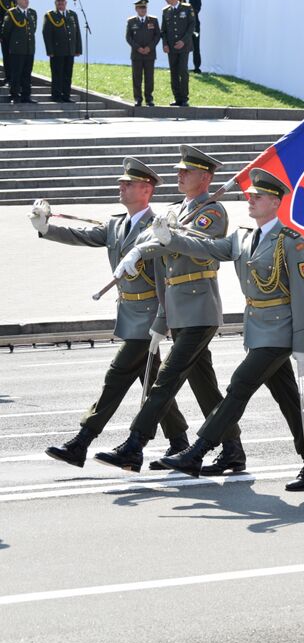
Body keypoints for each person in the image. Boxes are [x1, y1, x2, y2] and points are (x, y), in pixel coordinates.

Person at [150, 169, 304, 491]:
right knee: (287, 397)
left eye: (258, 197)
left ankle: (198, 451)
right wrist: (170, 238)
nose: (251, 199)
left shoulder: (291, 242)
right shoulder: (243, 236)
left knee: (239, 385)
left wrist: (303, 343)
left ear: (274, 203)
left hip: (280, 332)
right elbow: (208, 248)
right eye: (250, 195)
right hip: (257, 331)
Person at [33, 160, 191, 467]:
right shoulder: (118, 224)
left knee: (116, 376)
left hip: (149, 317)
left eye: (129, 184)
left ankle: (83, 440)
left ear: (147, 189)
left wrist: (163, 320)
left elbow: (165, 279)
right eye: (122, 183)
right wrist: (46, 227)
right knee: (152, 382)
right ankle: (180, 441)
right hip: (129, 313)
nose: (122, 187)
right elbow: (82, 235)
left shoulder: (159, 227)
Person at [97, 146, 242, 475]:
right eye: (178, 171)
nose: (179, 175)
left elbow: (200, 247)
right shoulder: (177, 210)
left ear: (205, 178)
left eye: (186, 172)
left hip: (200, 306)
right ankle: (233, 450)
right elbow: (161, 259)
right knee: (205, 387)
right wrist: (143, 249)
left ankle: (134, 445)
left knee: (165, 380)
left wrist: (168, 236)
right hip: (178, 307)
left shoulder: (213, 212)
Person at [41, 0, 81, 103]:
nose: (60, 3)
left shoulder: (72, 15)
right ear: (55, 2)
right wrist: (50, 50)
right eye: (58, 1)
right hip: (57, 51)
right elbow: (46, 34)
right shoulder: (50, 15)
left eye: (62, 0)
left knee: (68, 74)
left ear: (66, 2)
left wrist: (77, 49)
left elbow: (77, 32)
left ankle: (66, 95)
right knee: (57, 74)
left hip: (70, 50)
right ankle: (56, 95)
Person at [160, 0, 195, 107]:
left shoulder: (187, 7)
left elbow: (191, 26)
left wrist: (183, 41)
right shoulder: (166, 11)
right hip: (171, 47)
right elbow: (163, 30)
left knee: (183, 71)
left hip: (184, 46)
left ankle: (184, 98)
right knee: (173, 72)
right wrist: (165, 44)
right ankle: (177, 98)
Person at [2, 0, 36, 103]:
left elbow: (33, 29)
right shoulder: (12, 13)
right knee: (16, 73)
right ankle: (14, 95)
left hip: (29, 49)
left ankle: (26, 95)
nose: (26, 0)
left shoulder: (32, 13)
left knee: (27, 73)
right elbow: (6, 33)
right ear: (17, 0)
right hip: (17, 49)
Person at [126, 0, 160, 107]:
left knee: (149, 78)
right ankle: (138, 99)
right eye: (141, 8)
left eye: (144, 8)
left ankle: (149, 99)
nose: (143, 10)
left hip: (150, 54)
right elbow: (128, 37)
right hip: (137, 54)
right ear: (136, 9)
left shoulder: (153, 20)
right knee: (137, 77)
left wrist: (149, 47)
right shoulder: (131, 21)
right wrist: (138, 48)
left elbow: (157, 35)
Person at [179, 0, 203, 73]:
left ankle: (197, 67)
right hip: (181, 23)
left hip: (194, 23)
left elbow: (198, 6)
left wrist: (190, 15)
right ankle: (181, 67)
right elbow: (176, 6)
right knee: (181, 45)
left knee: (196, 45)